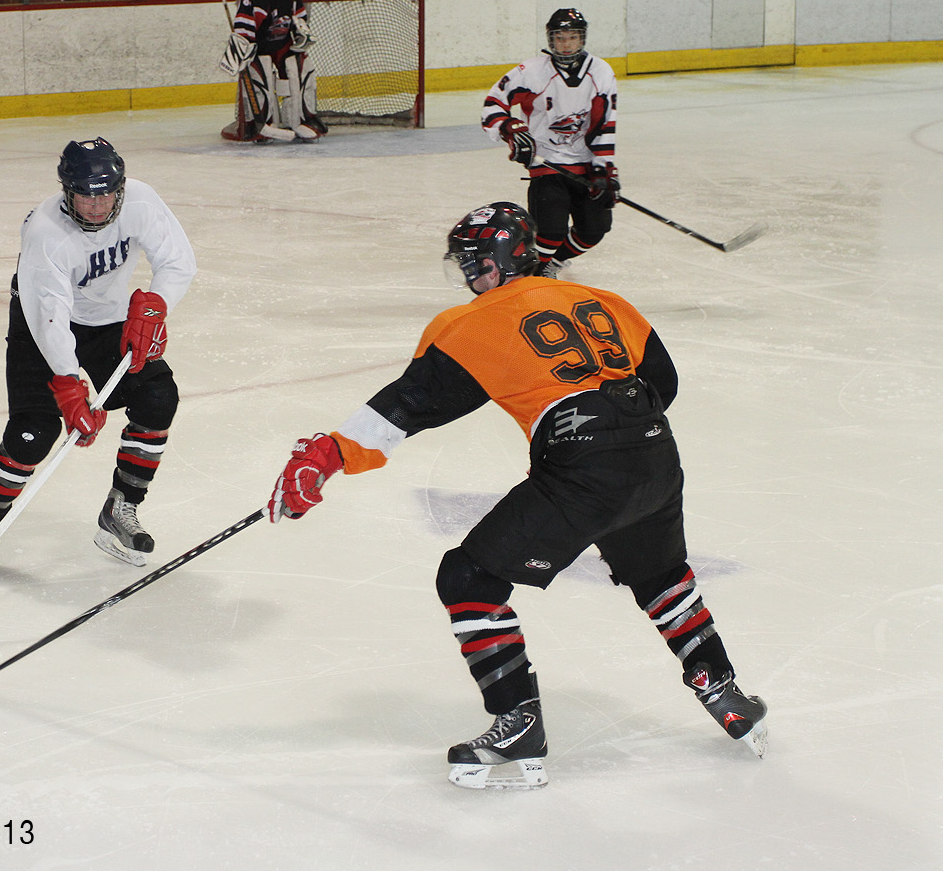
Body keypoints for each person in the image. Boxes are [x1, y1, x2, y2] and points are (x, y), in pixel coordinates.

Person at [267, 202, 766, 790]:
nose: (471, 279)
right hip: (656, 453)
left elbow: (410, 404)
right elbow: (665, 382)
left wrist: (329, 455)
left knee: (469, 580)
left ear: (504, 262)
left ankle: (518, 722)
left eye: (476, 265)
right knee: (660, 575)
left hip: (583, 466)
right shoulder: (606, 301)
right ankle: (725, 693)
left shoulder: (476, 322)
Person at [0, 137, 196, 568]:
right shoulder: (46, 234)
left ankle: (121, 506)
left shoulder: (140, 202)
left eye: (106, 192)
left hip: (106, 319)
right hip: (40, 322)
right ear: (68, 192)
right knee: (34, 433)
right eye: (86, 195)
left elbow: (178, 261)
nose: (98, 205)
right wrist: (69, 383)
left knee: (158, 396)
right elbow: (50, 313)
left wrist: (155, 304)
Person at [481, 8, 619, 277]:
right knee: (550, 231)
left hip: (586, 165)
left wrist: (604, 170)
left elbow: (605, 123)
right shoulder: (531, 72)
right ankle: (537, 270)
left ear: (582, 39)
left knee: (594, 230)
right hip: (547, 164)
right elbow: (492, 105)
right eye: (560, 37)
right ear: (550, 40)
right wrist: (510, 128)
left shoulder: (601, 72)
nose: (566, 44)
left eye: (572, 37)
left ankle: (553, 263)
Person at [218, 0, 325, 143]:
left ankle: (302, 120)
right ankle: (263, 123)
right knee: (261, 78)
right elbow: (244, 21)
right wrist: (243, 46)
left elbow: (298, 15)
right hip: (260, 46)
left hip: (284, 43)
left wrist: (301, 34)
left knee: (301, 72)